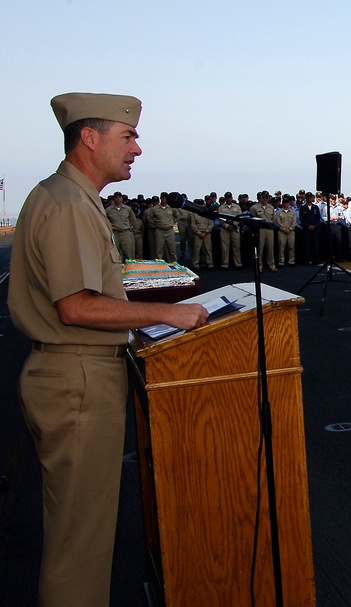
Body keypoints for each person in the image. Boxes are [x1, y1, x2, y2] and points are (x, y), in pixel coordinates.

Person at [9, 92, 209, 607]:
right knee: (80, 542)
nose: (137, 149)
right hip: (75, 376)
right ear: (90, 138)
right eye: (128, 137)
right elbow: (76, 306)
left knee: (81, 531)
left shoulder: (72, 197)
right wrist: (168, 312)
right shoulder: (69, 203)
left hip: (74, 373)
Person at [249, 192, 277, 272]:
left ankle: (272, 265)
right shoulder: (254, 208)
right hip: (260, 229)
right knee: (260, 248)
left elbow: (273, 218)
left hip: (269, 228)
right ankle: (259, 266)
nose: (265, 199)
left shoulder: (271, 207)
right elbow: (252, 220)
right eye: (263, 197)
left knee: (270, 248)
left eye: (266, 197)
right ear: (260, 197)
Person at [106, 191, 136, 260]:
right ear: (114, 199)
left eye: (119, 197)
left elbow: (132, 219)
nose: (118, 199)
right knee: (115, 252)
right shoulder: (109, 210)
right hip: (115, 232)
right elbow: (105, 220)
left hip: (125, 232)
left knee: (128, 252)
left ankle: (129, 267)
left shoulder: (127, 209)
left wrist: (130, 228)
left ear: (122, 199)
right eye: (116, 197)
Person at [218, 192, 243, 269]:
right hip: (225, 229)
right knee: (225, 247)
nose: (228, 199)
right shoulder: (221, 208)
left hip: (235, 229)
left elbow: (239, 217)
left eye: (230, 197)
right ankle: (224, 264)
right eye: (227, 198)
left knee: (236, 247)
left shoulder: (237, 207)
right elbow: (220, 218)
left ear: (232, 198)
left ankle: (238, 264)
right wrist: (227, 226)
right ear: (225, 198)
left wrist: (233, 225)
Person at [189, 202, 215, 270]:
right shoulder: (193, 214)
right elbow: (193, 225)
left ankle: (210, 264)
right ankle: (196, 265)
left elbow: (211, 224)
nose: (200, 205)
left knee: (208, 249)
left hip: (207, 233)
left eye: (201, 204)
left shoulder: (208, 212)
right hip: (198, 233)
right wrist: (199, 233)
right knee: (197, 250)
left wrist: (206, 232)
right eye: (199, 204)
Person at [300, 191, 322, 264]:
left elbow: (318, 217)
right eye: (308, 197)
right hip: (306, 229)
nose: (309, 199)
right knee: (306, 245)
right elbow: (301, 219)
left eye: (310, 197)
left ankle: (315, 259)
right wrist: (308, 226)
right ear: (306, 198)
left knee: (315, 244)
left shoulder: (315, 207)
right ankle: (306, 260)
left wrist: (314, 225)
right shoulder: (303, 208)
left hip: (315, 229)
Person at [275, 196, 297, 266]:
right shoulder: (279, 212)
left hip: (291, 231)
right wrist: (284, 229)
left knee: (291, 247)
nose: (286, 204)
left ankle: (291, 261)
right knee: (281, 247)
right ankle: (281, 261)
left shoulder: (292, 212)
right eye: (284, 202)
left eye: (287, 202)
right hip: (282, 232)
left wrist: (290, 229)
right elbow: (278, 222)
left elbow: (294, 222)